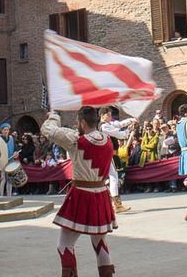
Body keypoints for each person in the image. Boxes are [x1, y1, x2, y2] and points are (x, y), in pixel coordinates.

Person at [41, 107, 117, 277]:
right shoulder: (107, 139)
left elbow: (47, 130)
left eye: (78, 122)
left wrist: (54, 116)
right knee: (100, 244)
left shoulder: (76, 140)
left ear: (82, 122)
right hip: (101, 194)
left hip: (82, 195)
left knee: (64, 245)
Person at [99, 106, 137, 213]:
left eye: (110, 115)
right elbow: (121, 135)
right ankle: (116, 204)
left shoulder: (108, 124)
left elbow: (119, 124)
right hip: (107, 154)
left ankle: (115, 204)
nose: (110, 117)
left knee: (112, 177)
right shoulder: (104, 126)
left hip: (109, 154)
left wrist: (131, 120)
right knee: (113, 177)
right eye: (108, 115)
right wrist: (130, 129)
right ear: (102, 115)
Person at [0, 122, 19, 197]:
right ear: (2, 131)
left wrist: (15, 152)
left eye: (7, 130)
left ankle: (9, 195)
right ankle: (1, 195)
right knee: (3, 179)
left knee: (10, 179)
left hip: (11, 160)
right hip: (3, 160)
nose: (6, 131)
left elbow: (15, 148)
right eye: (4, 130)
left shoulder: (12, 138)